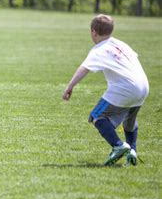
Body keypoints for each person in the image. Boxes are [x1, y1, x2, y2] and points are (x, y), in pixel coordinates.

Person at [62, 14, 149, 166]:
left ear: (93, 31)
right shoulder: (121, 44)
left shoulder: (99, 50)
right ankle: (132, 150)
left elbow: (84, 68)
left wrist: (69, 87)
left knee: (96, 116)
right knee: (129, 121)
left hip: (125, 88)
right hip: (143, 86)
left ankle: (118, 145)